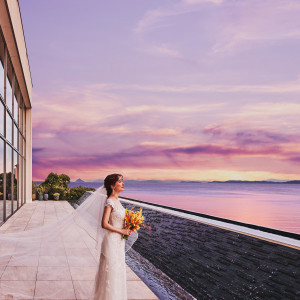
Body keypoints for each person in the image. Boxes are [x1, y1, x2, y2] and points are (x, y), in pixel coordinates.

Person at [93, 173, 132, 300]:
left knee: (118, 271)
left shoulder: (117, 201)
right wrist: (122, 231)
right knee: (110, 272)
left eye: (122, 181)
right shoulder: (110, 201)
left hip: (118, 242)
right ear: (112, 185)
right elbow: (104, 224)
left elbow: (117, 219)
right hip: (111, 241)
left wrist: (129, 226)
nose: (123, 183)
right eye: (120, 181)